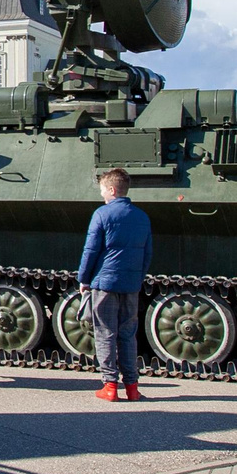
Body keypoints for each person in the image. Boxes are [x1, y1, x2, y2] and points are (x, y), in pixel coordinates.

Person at [77, 166, 153, 401]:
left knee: (105, 333)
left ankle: (110, 386)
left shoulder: (102, 214)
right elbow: (147, 253)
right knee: (128, 334)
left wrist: (84, 279)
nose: (101, 195)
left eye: (102, 190)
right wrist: (137, 278)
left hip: (105, 283)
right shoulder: (142, 216)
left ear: (111, 189)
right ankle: (132, 387)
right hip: (130, 284)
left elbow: (90, 250)